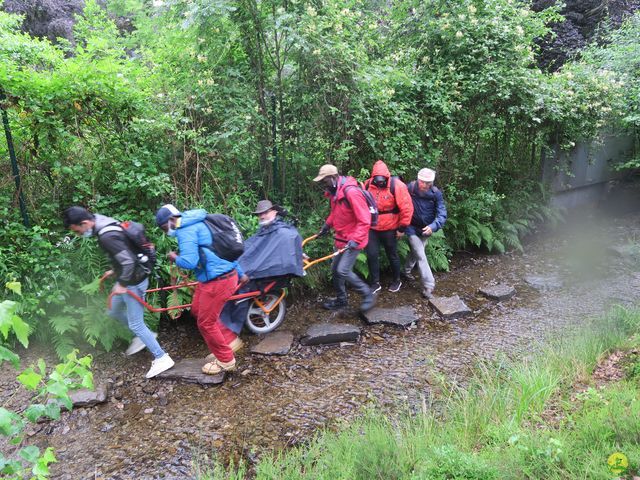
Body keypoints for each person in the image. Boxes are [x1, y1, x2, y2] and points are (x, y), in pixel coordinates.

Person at [62, 206, 174, 379]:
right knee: (113, 311)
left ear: (84, 223)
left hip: (134, 280)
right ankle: (146, 335)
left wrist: (122, 283)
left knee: (136, 323)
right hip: (130, 276)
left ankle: (162, 357)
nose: (78, 234)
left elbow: (128, 261)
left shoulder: (106, 236)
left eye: (77, 231)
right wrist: (114, 270)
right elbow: (125, 251)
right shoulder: (102, 221)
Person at [155, 204, 247, 376]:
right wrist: (240, 273)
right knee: (197, 310)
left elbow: (189, 262)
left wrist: (175, 257)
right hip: (220, 277)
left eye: (163, 227)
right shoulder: (199, 220)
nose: (164, 231)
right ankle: (229, 341)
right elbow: (221, 250)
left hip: (217, 281)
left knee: (206, 323)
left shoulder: (185, 231)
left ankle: (226, 360)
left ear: (170, 220)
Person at [220, 199, 304, 333]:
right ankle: (222, 323)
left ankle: (229, 328)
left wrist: (251, 269)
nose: (262, 216)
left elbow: (281, 255)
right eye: (259, 214)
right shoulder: (265, 230)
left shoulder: (284, 233)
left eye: (265, 213)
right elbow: (253, 248)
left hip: (268, 273)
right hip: (253, 267)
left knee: (241, 287)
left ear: (275, 212)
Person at [313, 164, 375, 312]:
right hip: (341, 237)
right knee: (335, 269)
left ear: (334, 178)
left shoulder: (352, 193)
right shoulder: (335, 192)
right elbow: (336, 213)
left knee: (343, 271)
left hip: (354, 239)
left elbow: (365, 219)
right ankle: (341, 300)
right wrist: (326, 227)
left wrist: (355, 239)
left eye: (325, 181)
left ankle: (368, 295)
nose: (323, 185)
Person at [364, 160, 414, 294]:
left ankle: (396, 280)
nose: (380, 182)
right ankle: (375, 283)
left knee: (392, 254)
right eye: (377, 179)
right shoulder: (368, 184)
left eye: (382, 180)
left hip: (390, 226)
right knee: (371, 254)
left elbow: (407, 208)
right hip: (372, 227)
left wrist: (402, 228)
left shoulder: (396, 185)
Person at [403, 168, 447, 298]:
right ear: (418, 179)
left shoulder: (435, 194)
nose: (424, 185)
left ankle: (405, 271)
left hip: (426, 230)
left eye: (428, 183)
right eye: (422, 182)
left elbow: (442, 214)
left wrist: (433, 226)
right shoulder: (409, 188)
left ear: (432, 183)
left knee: (416, 251)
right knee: (421, 254)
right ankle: (428, 286)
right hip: (411, 227)